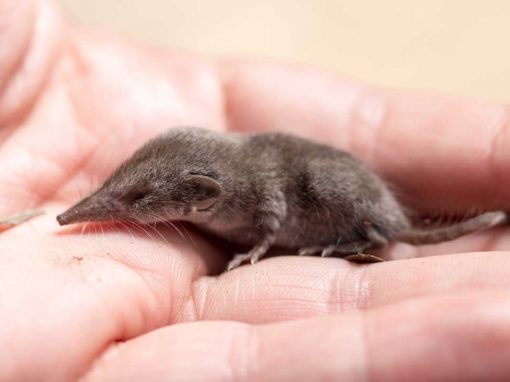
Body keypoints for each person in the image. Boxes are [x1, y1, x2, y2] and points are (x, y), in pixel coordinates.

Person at [1, 0, 510, 380]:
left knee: (329, 188)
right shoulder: (219, 177)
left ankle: (364, 235)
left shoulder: (249, 189)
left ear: (201, 196)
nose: (93, 210)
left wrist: (262, 245)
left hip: (346, 208)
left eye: (136, 200)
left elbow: (271, 203)